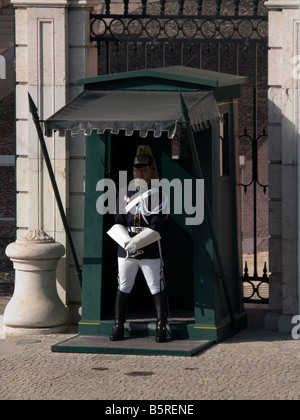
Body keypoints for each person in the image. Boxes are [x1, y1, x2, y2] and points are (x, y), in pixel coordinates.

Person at [107, 145, 169, 342]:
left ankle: (161, 325)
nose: (139, 172)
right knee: (123, 285)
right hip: (126, 248)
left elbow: (157, 225)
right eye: (136, 169)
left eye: (143, 169)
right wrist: (127, 242)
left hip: (149, 247)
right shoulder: (125, 193)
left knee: (155, 286)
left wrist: (137, 243)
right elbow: (118, 220)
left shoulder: (159, 194)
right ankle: (118, 325)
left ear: (151, 170)